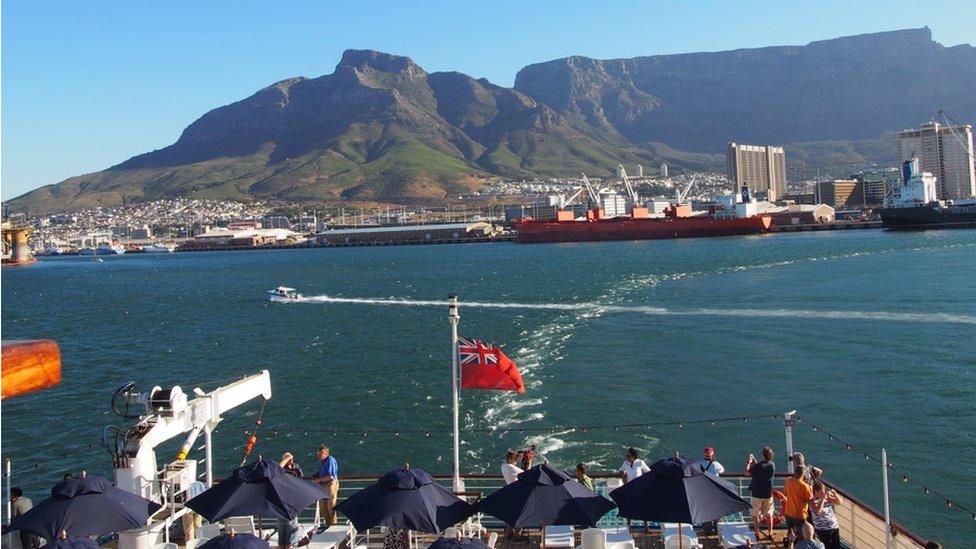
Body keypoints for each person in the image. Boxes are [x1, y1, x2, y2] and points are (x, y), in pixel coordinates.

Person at [745, 447, 776, 540]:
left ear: (763, 455)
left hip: (756, 493)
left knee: (755, 515)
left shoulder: (757, 466)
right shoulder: (772, 465)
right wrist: (755, 463)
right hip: (767, 493)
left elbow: (747, 473)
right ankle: (770, 532)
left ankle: (757, 533)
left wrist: (749, 463)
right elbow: (762, 468)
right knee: (769, 514)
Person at [619, 448, 651, 531]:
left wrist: (643, 482)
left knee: (643, 507)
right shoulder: (626, 463)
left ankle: (646, 527)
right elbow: (621, 470)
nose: (627, 457)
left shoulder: (640, 462)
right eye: (627, 456)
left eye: (629, 456)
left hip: (639, 489)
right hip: (629, 488)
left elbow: (648, 472)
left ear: (634, 456)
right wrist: (623, 475)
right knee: (629, 507)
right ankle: (628, 527)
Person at [277, 453, 305, 548]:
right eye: (289, 459)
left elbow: (302, 481)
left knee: (289, 535)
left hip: (292, 502)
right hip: (284, 504)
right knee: (284, 535)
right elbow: (278, 468)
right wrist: (286, 459)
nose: (291, 460)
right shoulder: (281, 470)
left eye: (292, 458)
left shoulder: (296, 468)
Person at [783, 465, 814, 548]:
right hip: (800, 515)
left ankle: (790, 546)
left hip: (788, 512)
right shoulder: (805, 486)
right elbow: (810, 500)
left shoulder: (788, 481)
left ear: (795, 472)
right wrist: (810, 487)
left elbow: (785, 493)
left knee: (791, 534)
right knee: (802, 536)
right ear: (803, 473)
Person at [810, 481, 842, 549]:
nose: (823, 492)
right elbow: (817, 511)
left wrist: (835, 494)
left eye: (824, 490)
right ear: (816, 491)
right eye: (821, 491)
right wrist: (822, 500)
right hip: (823, 530)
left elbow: (839, 502)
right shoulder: (812, 501)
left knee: (836, 547)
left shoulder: (827, 498)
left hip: (834, 527)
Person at [313, 445, 339, 526]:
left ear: (326, 453)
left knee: (330, 506)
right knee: (323, 507)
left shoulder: (330, 461)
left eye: (322, 454)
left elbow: (330, 476)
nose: (320, 455)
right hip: (324, 485)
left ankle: (333, 525)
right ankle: (328, 524)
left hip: (330, 484)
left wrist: (320, 480)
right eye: (319, 454)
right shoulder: (324, 461)